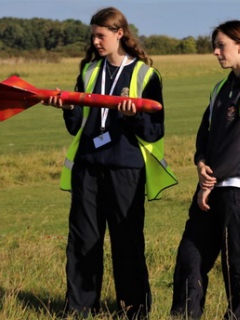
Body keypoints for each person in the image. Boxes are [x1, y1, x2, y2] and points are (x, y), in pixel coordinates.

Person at [45, 6, 177, 319]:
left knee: (126, 243)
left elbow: (154, 130)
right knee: (82, 243)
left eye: (101, 35)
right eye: (92, 36)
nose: (96, 42)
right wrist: (65, 107)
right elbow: (77, 125)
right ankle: (78, 310)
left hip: (126, 170)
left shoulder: (146, 75)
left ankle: (133, 311)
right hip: (88, 168)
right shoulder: (89, 72)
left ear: (120, 34)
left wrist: (132, 119)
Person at [170, 20, 240, 320]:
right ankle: (185, 315)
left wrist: (210, 180)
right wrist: (199, 162)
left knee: (238, 266)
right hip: (212, 185)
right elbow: (203, 134)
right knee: (190, 256)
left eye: (220, 45)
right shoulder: (221, 88)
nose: (215, 52)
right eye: (215, 46)